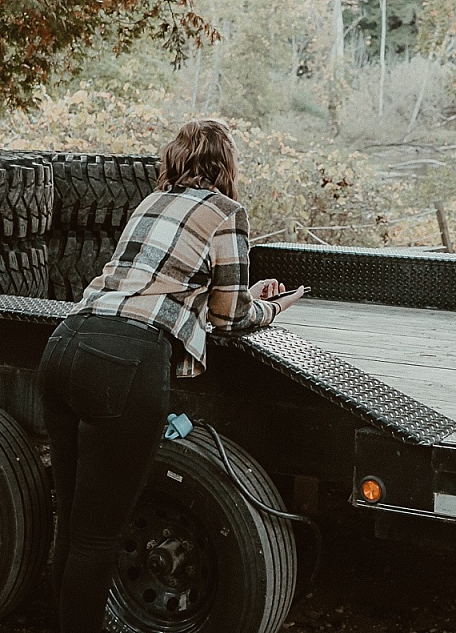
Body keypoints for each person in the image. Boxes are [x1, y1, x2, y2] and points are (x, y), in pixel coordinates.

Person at [38, 118, 307, 633]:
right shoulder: (228, 213)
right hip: (125, 363)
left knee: (72, 531)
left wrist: (246, 296)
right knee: (97, 541)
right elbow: (228, 320)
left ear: (175, 159)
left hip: (66, 343)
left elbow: (158, 283)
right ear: (226, 165)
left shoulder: (150, 203)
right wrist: (273, 309)